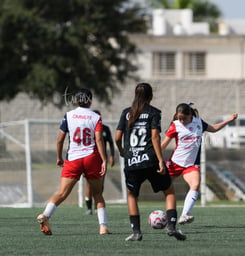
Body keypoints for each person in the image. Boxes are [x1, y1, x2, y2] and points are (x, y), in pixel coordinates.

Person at [115, 82, 186, 241]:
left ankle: (136, 232)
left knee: (132, 195)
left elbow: (117, 137)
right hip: (150, 160)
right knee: (169, 191)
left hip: (132, 161)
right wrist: (161, 160)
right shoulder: (154, 112)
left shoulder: (126, 113)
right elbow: (155, 137)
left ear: (134, 95)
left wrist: (121, 151)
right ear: (151, 96)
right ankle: (172, 227)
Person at [36, 88, 111, 235]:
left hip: (73, 158)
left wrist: (59, 157)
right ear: (90, 100)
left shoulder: (68, 115)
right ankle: (103, 227)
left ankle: (45, 215)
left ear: (76, 100)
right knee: (97, 193)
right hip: (91, 157)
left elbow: (60, 140)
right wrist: (104, 159)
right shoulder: (95, 117)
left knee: (62, 193)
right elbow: (98, 139)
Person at [161, 103, 238, 225]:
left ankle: (184, 215)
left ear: (190, 115)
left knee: (195, 184)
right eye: (179, 118)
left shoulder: (199, 123)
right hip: (174, 163)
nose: (181, 121)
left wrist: (229, 120)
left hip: (191, 165)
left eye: (183, 118)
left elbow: (214, 128)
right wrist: (155, 158)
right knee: (161, 187)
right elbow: (163, 145)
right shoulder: (175, 125)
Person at [84, 110, 115, 215]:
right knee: (89, 183)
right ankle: (89, 208)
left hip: (102, 159)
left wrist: (112, 156)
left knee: (100, 183)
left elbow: (110, 142)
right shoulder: (88, 128)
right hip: (90, 158)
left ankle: (97, 206)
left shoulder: (105, 128)